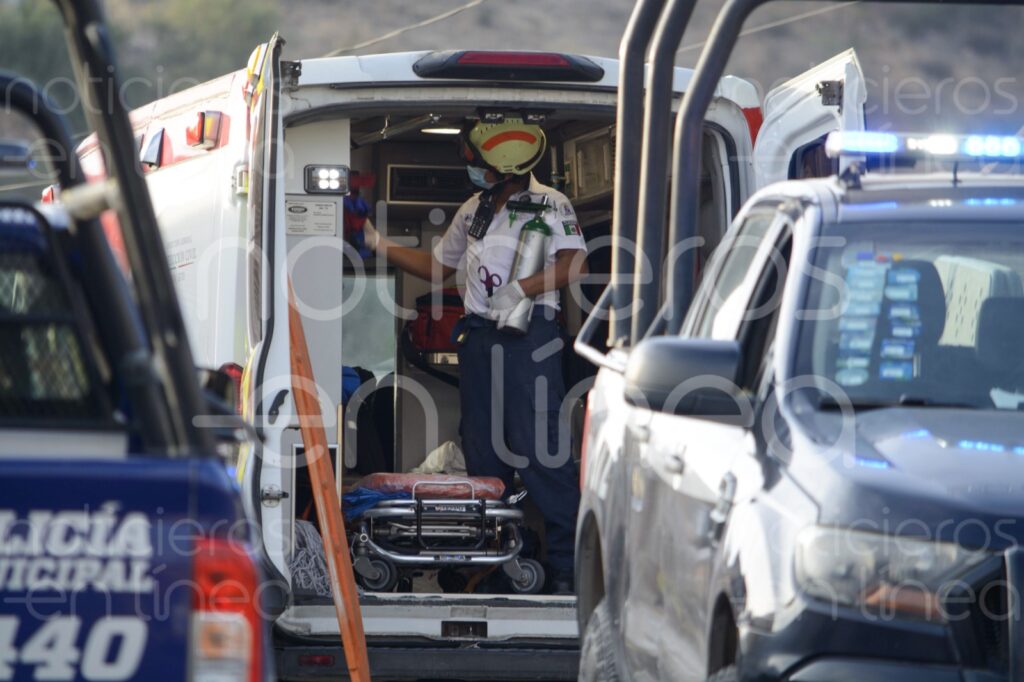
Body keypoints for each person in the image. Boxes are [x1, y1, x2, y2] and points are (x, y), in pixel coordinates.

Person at [362, 117, 587, 594]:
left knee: (539, 447)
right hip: (480, 336)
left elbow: (574, 264)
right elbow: (437, 268)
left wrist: (522, 288)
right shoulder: (474, 209)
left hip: (530, 335)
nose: (472, 167)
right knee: (482, 451)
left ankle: (567, 567)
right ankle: (498, 559)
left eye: (478, 161)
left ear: (505, 167)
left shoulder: (551, 203)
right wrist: (379, 244)